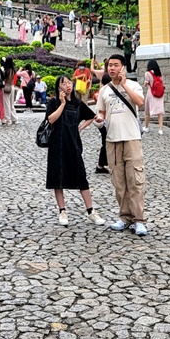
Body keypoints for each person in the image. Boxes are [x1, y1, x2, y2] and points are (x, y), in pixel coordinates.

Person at [94, 54, 147, 236]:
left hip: (131, 138)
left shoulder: (133, 85)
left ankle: (139, 220)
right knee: (119, 182)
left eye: (116, 65)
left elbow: (140, 102)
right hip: (112, 140)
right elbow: (101, 112)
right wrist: (100, 119)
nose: (112, 68)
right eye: (110, 65)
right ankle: (125, 217)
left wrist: (124, 84)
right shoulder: (105, 90)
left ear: (123, 67)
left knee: (135, 180)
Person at [45, 75, 106, 226]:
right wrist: (62, 104)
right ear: (58, 87)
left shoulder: (78, 104)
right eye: (63, 83)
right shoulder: (53, 102)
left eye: (68, 82)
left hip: (73, 145)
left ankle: (91, 211)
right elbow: (51, 119)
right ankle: (62, 211)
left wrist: (80, 128)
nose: (67, 85)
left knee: (81, 178)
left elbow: (91, 117)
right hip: (57, 146)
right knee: (58, 179)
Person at [141, 59, 165, 135]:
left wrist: (144, 83)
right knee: (160, 112)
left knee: (147, 110)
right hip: (159, 94)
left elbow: (146, 83)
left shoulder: (147, 73)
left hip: (151, 93)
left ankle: (146, 127)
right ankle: (160, 129)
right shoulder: (159, 74)